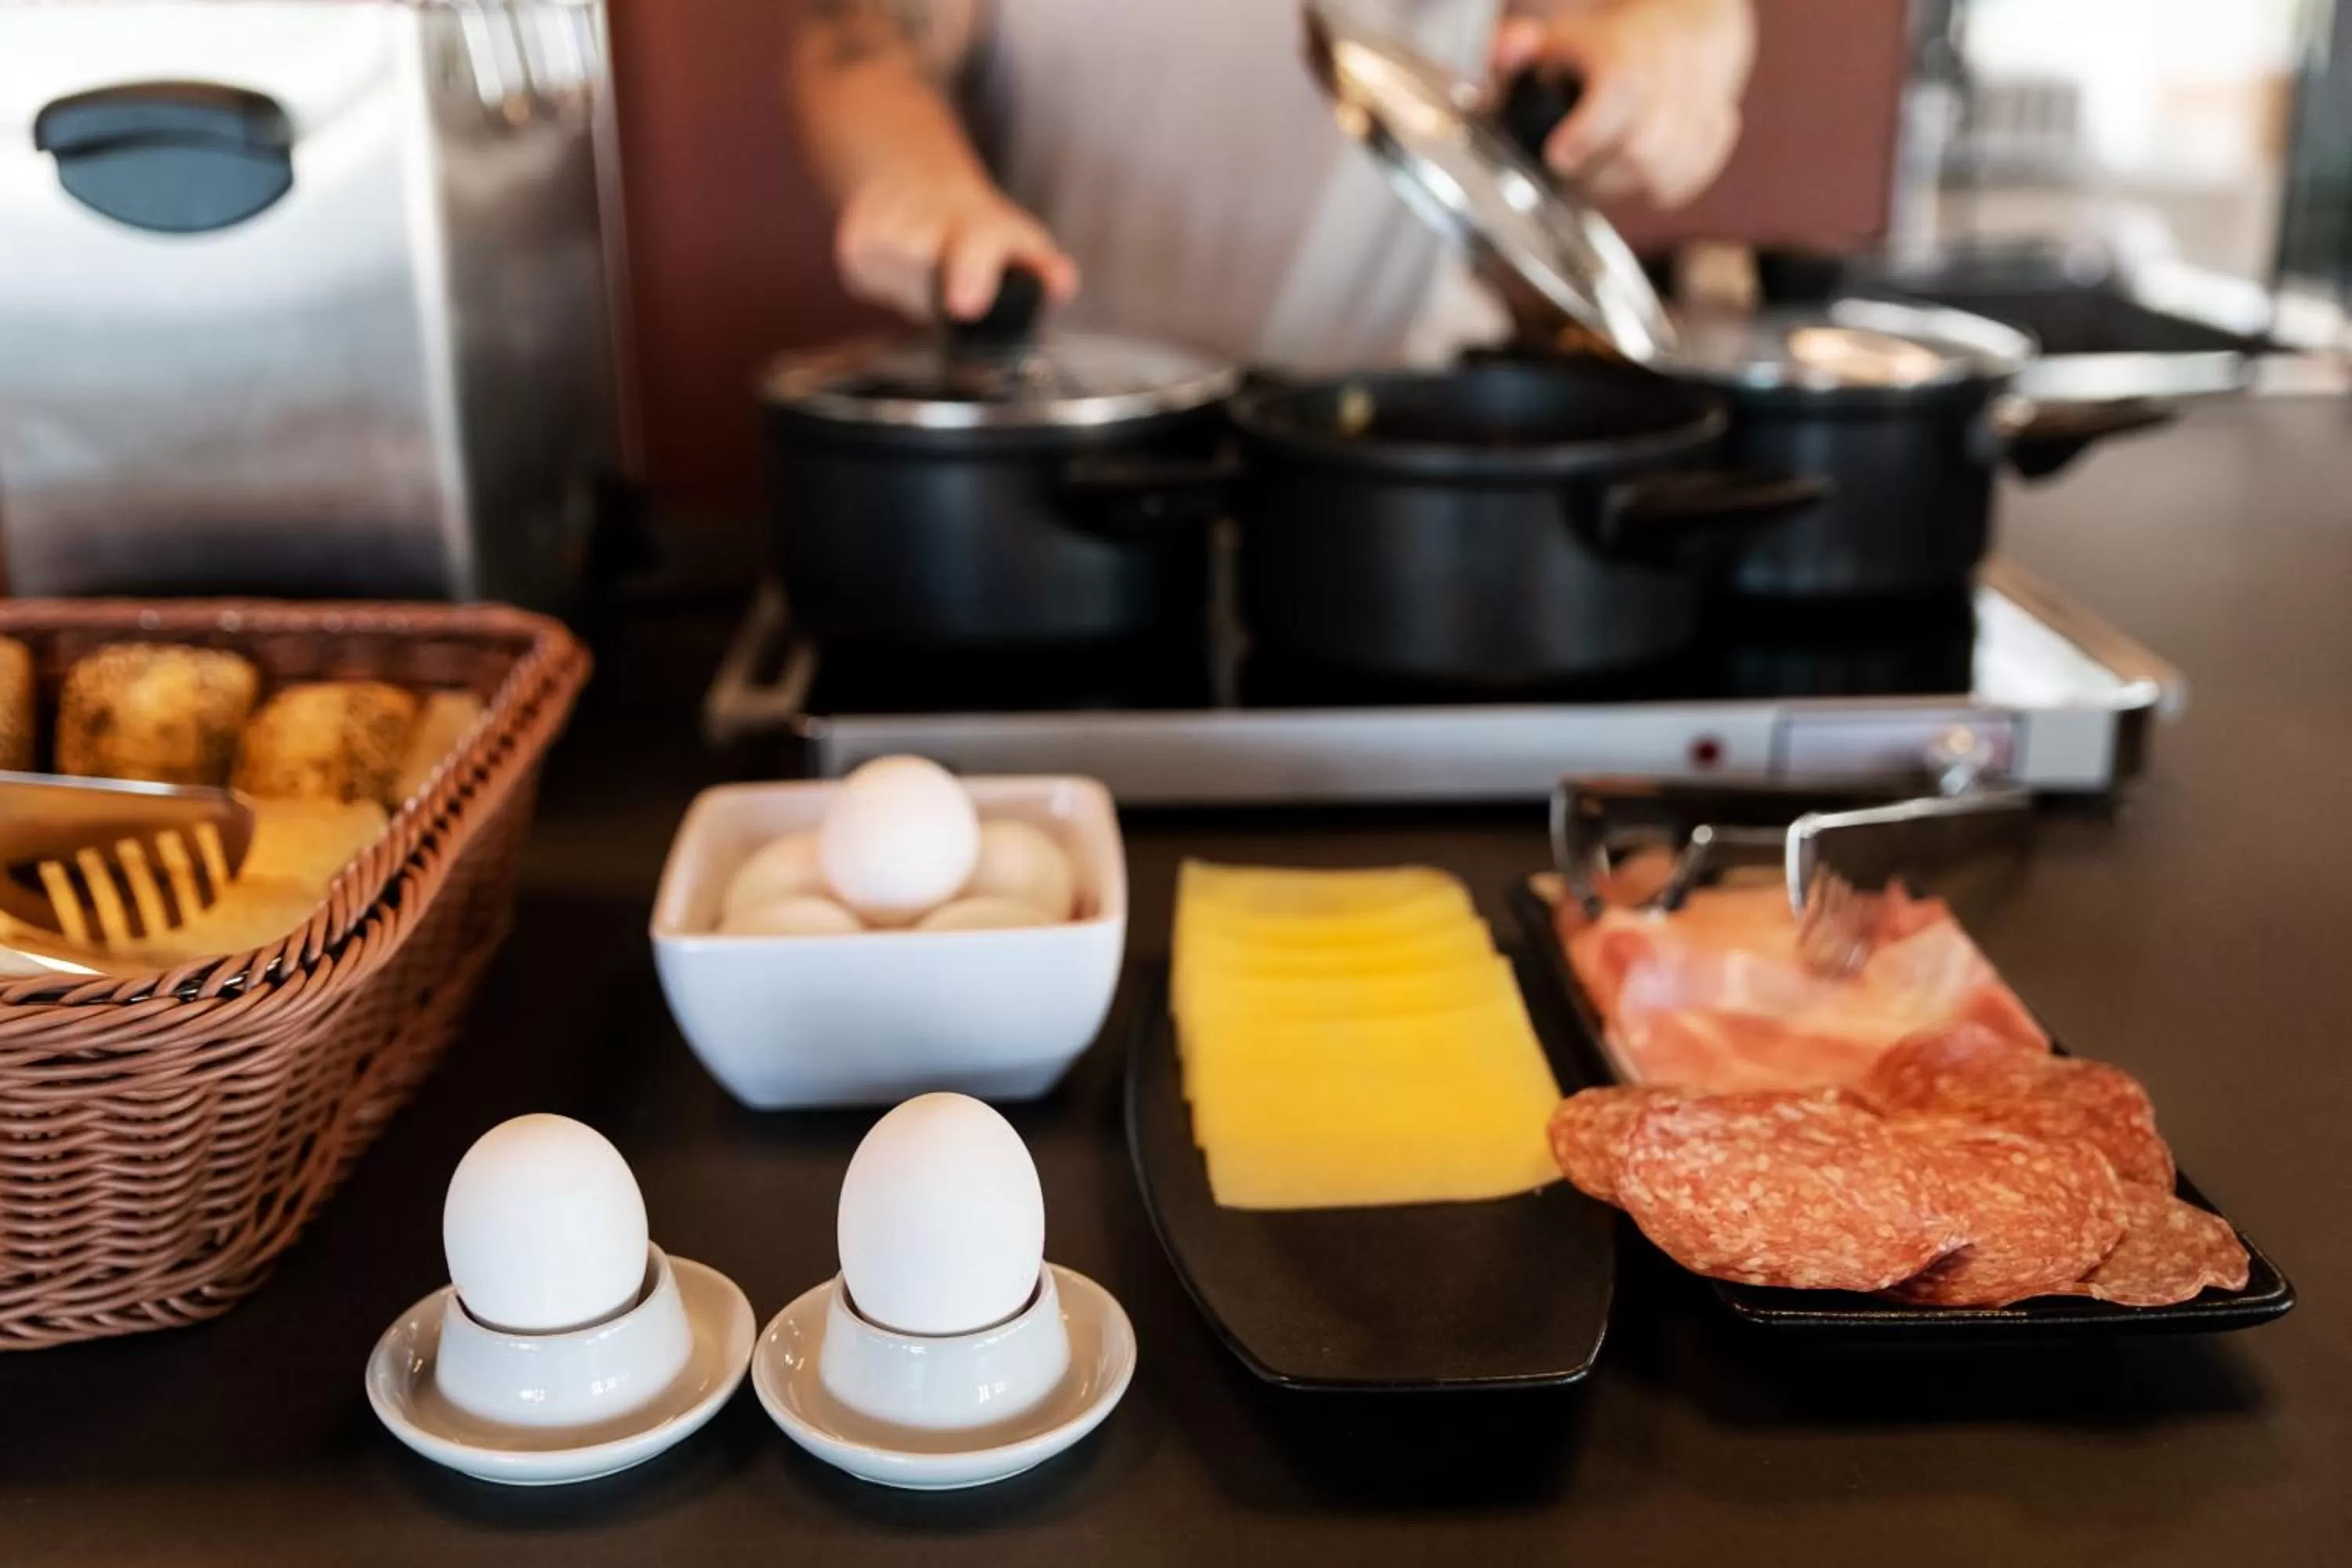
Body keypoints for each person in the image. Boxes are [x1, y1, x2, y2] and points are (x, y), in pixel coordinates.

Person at [789, 0, 1754, 371]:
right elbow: (859, 41)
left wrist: (1670, 51)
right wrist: (921, 186)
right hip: (1062, 429)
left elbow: (1687, 18)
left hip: (1393, 439)